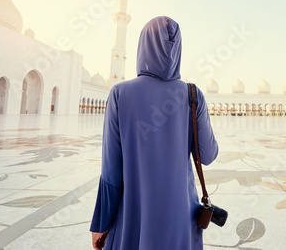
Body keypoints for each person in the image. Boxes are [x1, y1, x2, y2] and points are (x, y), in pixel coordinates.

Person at [90, 16, 219, 249]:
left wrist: (101, 222)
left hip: (133, 214)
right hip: (180, 217)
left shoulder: (120, 94)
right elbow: (208, 155)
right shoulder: (192, 94)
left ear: (143, 45)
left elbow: (111, 170)